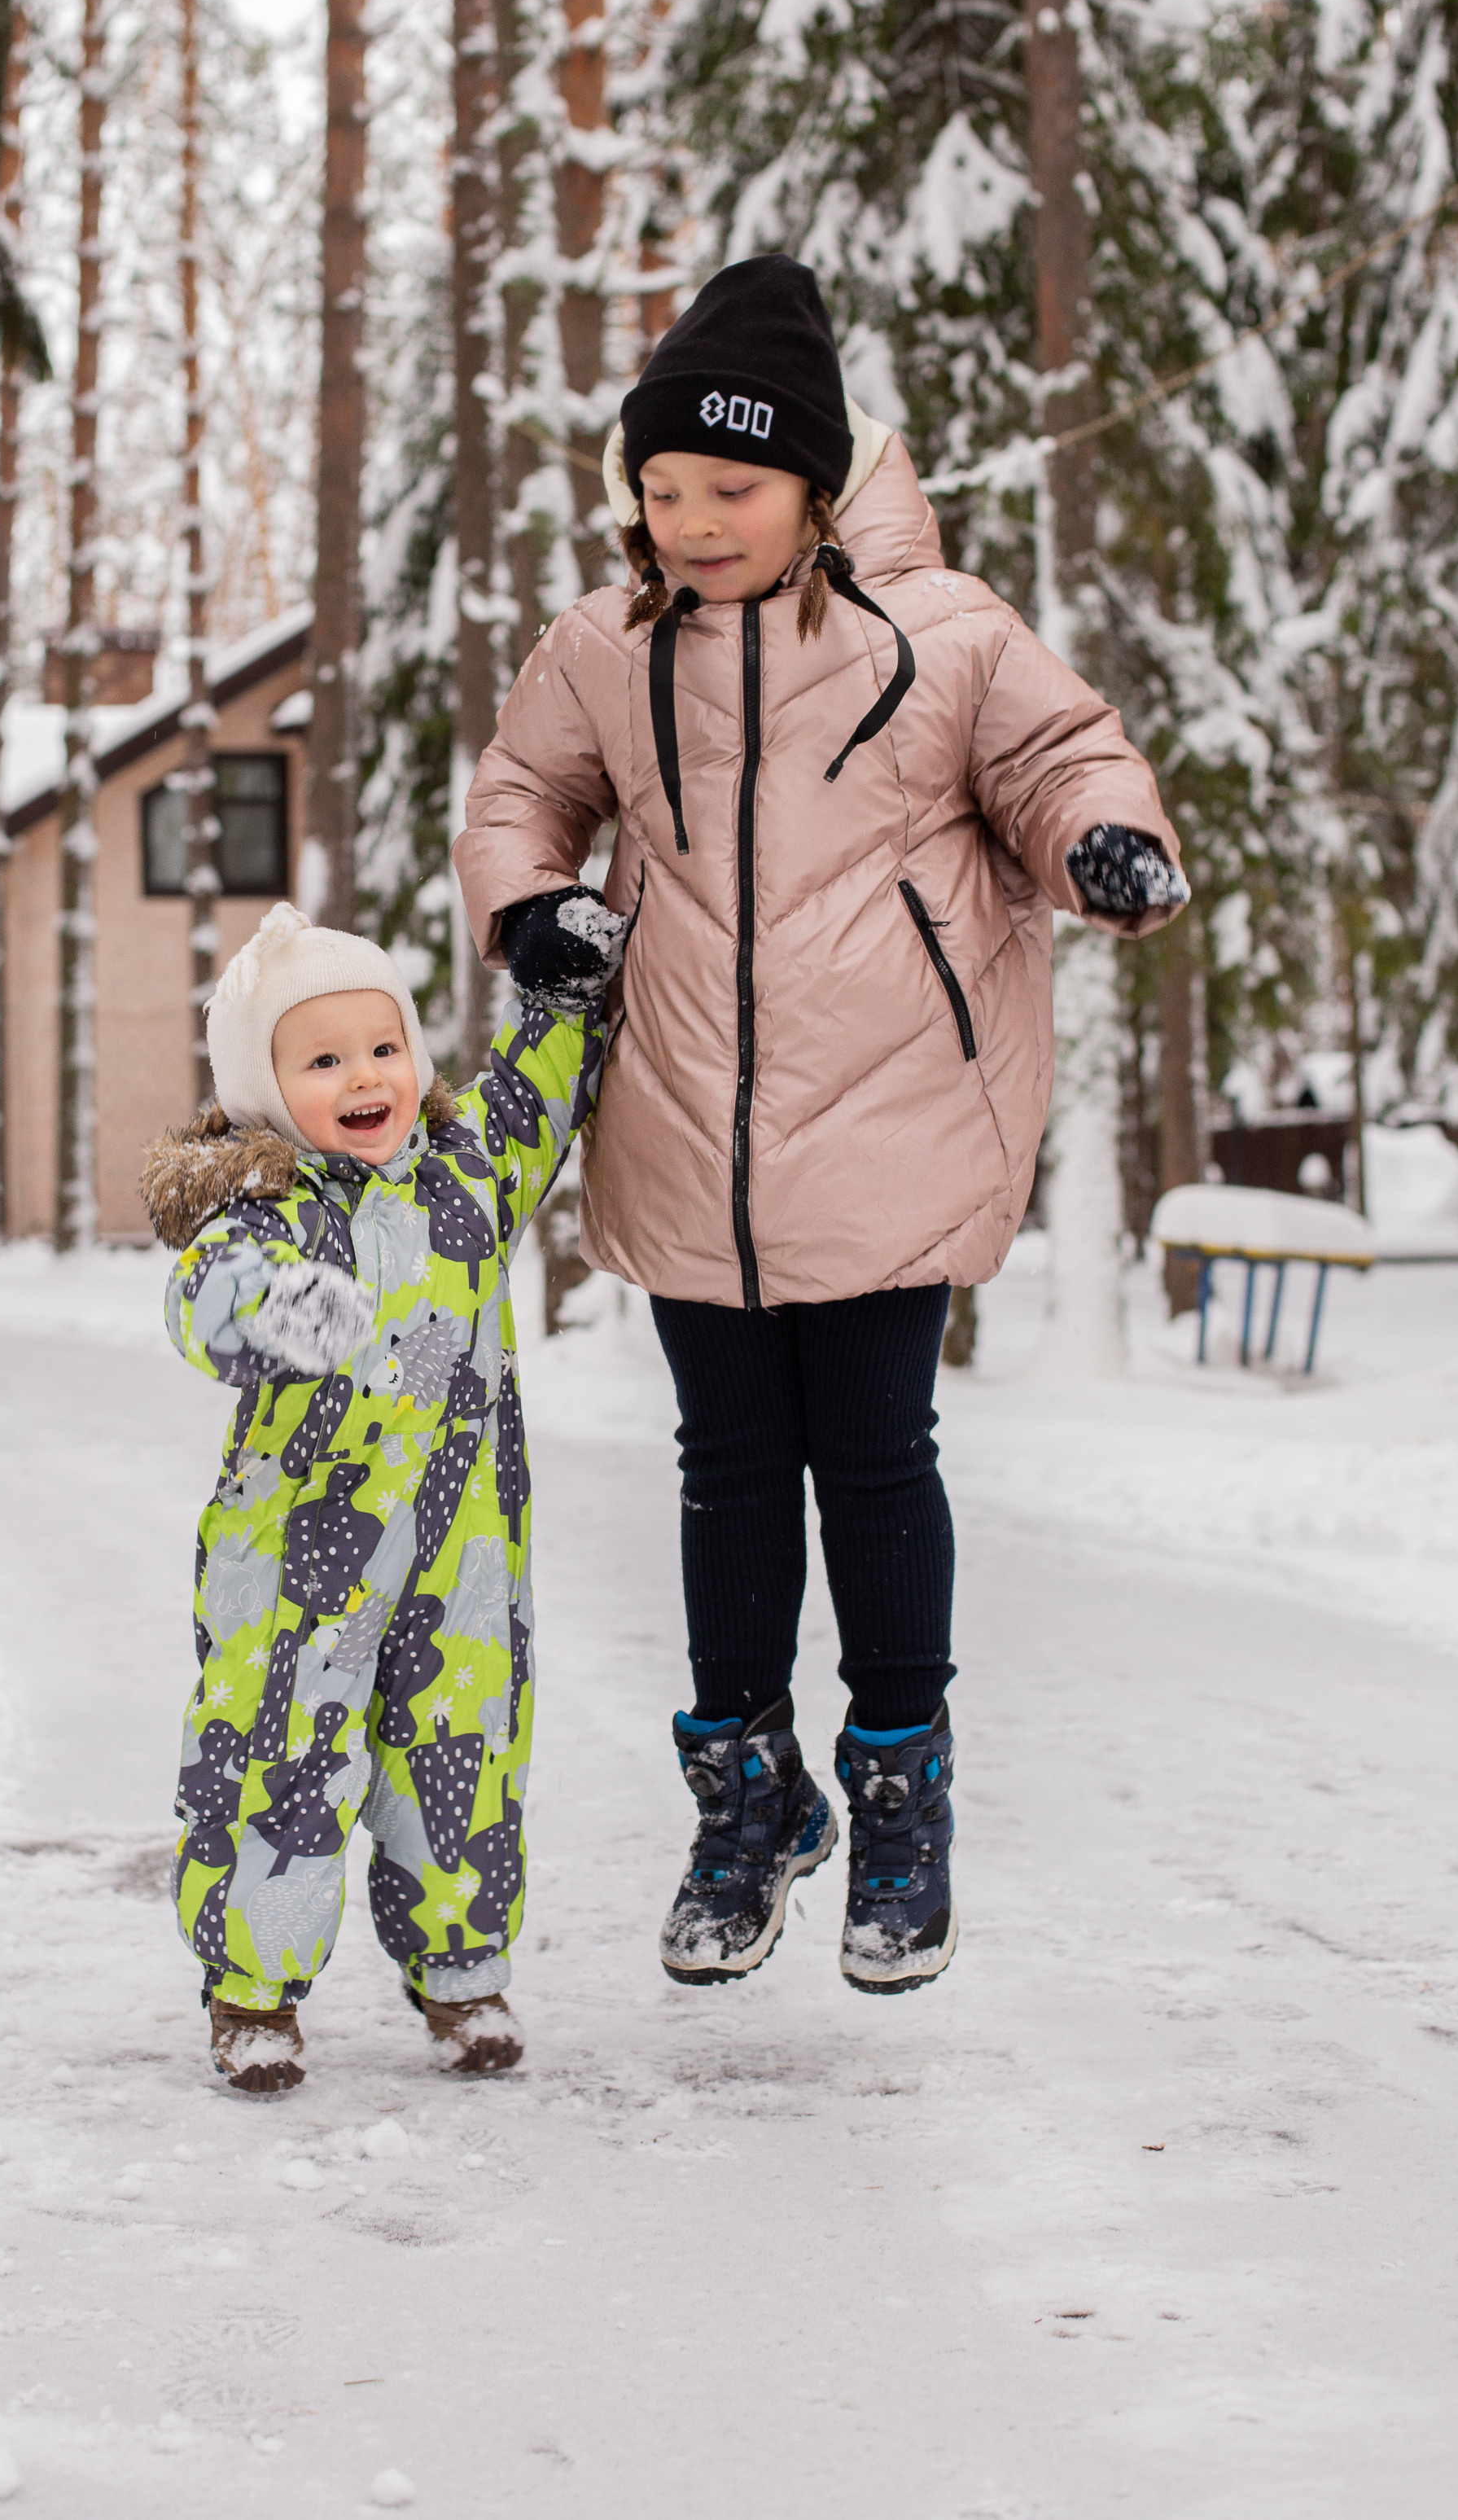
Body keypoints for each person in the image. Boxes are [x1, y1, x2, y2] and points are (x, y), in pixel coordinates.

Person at [453, 254, 1187, 1999]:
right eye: (661, 486)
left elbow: (1060, 753)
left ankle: (903, 1790)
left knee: (871, 1456)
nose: (689, 518)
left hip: (894, 1113)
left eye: (728, 484)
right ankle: (746, 1796)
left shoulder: (945, 633)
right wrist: (528, 904)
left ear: (815, 481)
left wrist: (1102, 840)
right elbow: (518, 794)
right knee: (722, 1468)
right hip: (691, 1117)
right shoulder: (609, 647)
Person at [142, 896, 622, 2093]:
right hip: (297, 1563)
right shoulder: (269, 1209)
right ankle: (252, 1993)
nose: (365, 1076)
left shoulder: (466, 1174)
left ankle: (464, 1975)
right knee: (276, 1754)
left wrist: (560, 1000)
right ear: (265, 1089)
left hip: (461, 1552)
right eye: (323, 1059)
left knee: (460, 1749)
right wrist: (278, 1309)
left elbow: (532, 1100)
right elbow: (205, 1295)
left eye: (383, 1047)